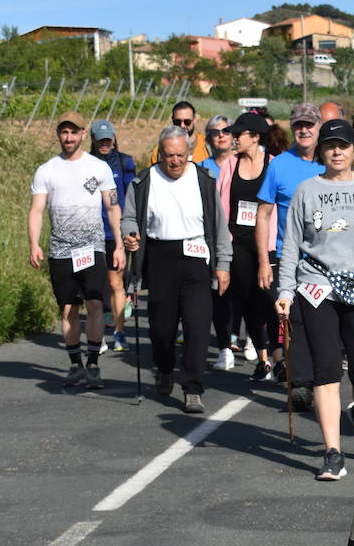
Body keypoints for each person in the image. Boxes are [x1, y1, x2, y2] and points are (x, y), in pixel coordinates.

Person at [275, 119, 354, 480]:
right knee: (326, 369)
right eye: (330, 146)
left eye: (343, 145)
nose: (337, 151)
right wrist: (284, 291)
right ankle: (332, 452)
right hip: (316, 287)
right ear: (320, 151)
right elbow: (291, 246)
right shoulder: (306, 191)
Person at [121, 125, 232, 414]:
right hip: (160, 256)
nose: (176, 161)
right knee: (161, 329)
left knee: (196, 327)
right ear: (160, 154)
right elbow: (129, 217)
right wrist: (131, 234)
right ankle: (166, 368)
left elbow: (219, 226)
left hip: (197, 257)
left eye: (181, 155)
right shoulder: (144, 182)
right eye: (170, 156)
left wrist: (223, 265)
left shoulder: (204, 180)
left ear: (188, 153)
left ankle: (192, 388)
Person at [28, 111, 123, 389]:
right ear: (59, 134)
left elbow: (112, 206)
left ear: (84, 134)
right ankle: (74, 365)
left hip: (92, 247)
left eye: (74, 132)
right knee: (68, 307)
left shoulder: (99, 168)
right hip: (60, 250)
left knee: (94, 302)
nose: (68, 137)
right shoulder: (46, 169)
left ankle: (93, 364)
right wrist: (33, 243)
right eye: (63, 132)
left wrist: (118, 244)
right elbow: (36, 210)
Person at [256, 102, 326, 394]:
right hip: (291, 258)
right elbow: (263, 213)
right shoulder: (279, 164)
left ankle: (322, 378)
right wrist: (263, 261)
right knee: (293, 320)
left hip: (329, 259)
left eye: (309, 124)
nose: (304, 130)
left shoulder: (333, 160)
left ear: (319, 127)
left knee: (322, 325)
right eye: (299, 125)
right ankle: (300, 382)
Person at [216, 111, 278, 382]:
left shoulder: (274, 164)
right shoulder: (230, 164)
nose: (232, 139)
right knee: (249, 302)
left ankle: (280, 357)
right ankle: (263, 360)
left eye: (238, 134)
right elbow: (220, 206)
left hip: (269, 243)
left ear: (255, 137)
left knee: (272, 302)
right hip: (238, 242)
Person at [88, 118, 136, 353]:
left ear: (114, 139)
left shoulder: (124, 162)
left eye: (108, 139)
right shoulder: (85, 164)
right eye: (100, 140)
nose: (105, 144)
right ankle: (98, 337)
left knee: (116, 283)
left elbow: (130, 196)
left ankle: (119, 333)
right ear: (93, 141)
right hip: (91, 233)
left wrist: (130, 228)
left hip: (115, 232)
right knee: (94, 287)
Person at [200, 115, 242, 369]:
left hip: (242, 238)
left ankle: (251, 341)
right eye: (216, 132)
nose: (221, 135)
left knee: (247, 294)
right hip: (213, 240)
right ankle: (225, 345)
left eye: (226, 131)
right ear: (209, 139)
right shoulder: (201, 168)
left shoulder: (244, 164)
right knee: (220, 293)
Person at [146, 101, 210, 167]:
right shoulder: (160, 150)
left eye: (187, 122)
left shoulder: (208, 147)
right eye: (177, 122)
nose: (182, 126)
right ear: (172, 120)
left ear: (195, 120)